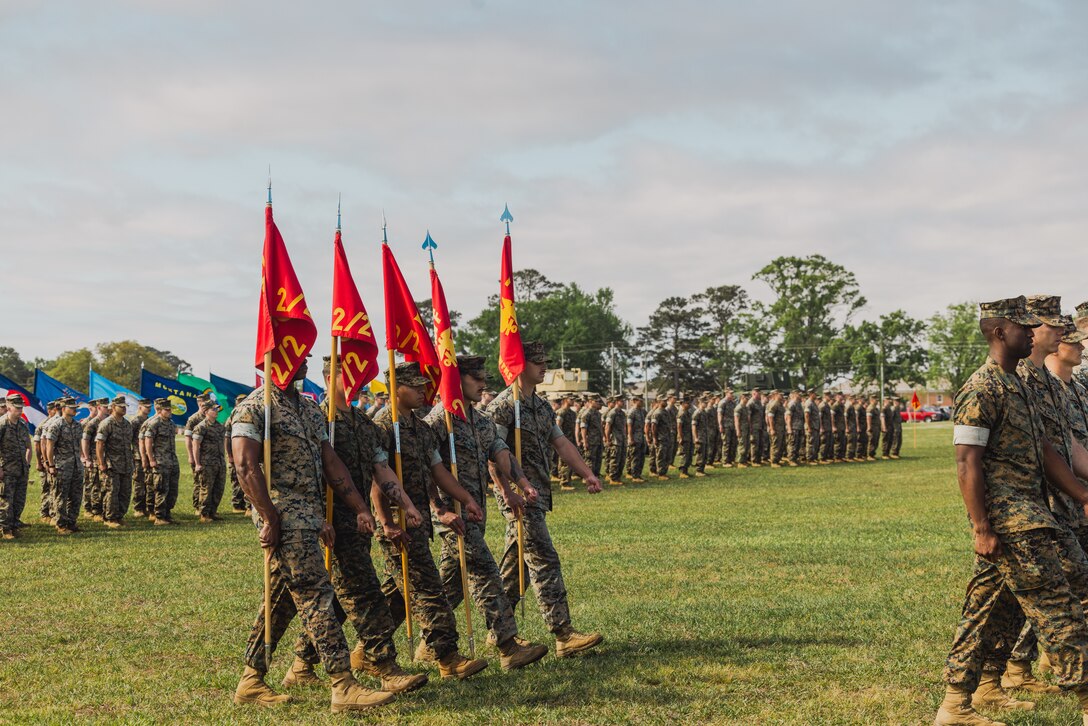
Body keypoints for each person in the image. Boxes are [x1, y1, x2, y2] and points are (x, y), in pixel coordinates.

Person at [934, 296, 1088, 725]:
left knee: (987, 610)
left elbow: (1046, 449)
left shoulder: (1018, 384)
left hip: (1035, 513)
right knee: (1059, 607)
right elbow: (967, 461)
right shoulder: (981, 387)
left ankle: (956, 704)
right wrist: (982, 527)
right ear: (1001, 332)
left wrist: (1084, 496)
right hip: (1011, 519)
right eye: (1023, 327)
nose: (1032, 333)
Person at [230, 358, 395, 712]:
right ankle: (343, 683)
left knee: (281, 601)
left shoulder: (306, 408)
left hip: (308, 517)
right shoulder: (255, 407)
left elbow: (330, 462)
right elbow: (245, 465)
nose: (304, 358)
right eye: (297, 351)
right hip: (283, 519)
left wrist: (358, 508)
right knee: (315, 595)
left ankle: (250, 679)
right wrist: (269, 517)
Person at [287, 356, 428, 694]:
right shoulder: (317, 419)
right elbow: (303, 475)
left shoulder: (362, 423)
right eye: (347, 371)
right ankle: (384, 665)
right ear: (329, 376)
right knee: (364, 594)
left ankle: (301, 662)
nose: (358, 376)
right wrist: (318, 518)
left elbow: (381, 468)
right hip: (330, 524)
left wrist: (406, 504)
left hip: (358, 521)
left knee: (338, 598)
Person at [424, 355, 550, 670]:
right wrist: (438, 511)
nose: (483, 384)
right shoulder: (438, 421)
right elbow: (423, 472)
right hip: (451, 516)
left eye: (484, 378)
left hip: (473, 512)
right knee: (485, 572)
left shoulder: (478, 419)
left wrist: (521, 482)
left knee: (448, 585)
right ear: (457, 381)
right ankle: (507, 646)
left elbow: (501, 452)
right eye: (476, 379)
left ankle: (425, 646)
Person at [486, 341, 604, 657]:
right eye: (537, 361)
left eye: (544, 360)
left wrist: (587, 473)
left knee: (516, 569)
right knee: (543, 558)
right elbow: (492, 453)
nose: (544, 367)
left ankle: (498, 630)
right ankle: (564, 634)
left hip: (537, 491)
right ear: (519, 364)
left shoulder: (539, 405)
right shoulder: (503, 406)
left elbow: (561, 443)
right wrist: (506, 491)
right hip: (519, 496)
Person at [373, 362, 489, 680]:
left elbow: (437, 472)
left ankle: (355, 651)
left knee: (396, 596)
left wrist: (463, 500)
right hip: (397, 524)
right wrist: (386, 522)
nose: (424, 391)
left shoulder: (421, 429)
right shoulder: (382, 427)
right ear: (396, 388)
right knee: (428, 590)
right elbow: (376, 481)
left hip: (419, 521)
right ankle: (448, 658)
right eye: (415, 385)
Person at [42, 398, 83, 534]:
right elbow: (49, 446)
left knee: (76, 495)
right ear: (64, 408)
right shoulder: (56, 425)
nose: (74, 410)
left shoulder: (77, 426)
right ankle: (61, 524)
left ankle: (71, 522)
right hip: (62, 466)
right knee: (60, 495)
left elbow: (79, 445)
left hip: (76, 466)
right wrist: (50, 464)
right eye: (71, 407)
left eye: (75, 407)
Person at [94, 395, 133, 528]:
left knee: (125, 492)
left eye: (125, 407)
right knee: (111, 492)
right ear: (113, 407)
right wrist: (101, 463)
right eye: (121, 407)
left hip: (126, 464)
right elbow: (99, 444)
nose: (124, 409)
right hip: (112, 464)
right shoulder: (106, 423)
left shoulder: (127, 424)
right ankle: (110, 518)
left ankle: (119, 516)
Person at [0, 394, 32, 538]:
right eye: (17, 408)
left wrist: (27, 462)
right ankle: (5, 529)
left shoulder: (22, 424)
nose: (20, 411)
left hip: (21, 468)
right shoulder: (2, 424)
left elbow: (27, 446)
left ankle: (14, 525)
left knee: (19, 500)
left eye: (21, 408)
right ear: (8, 407)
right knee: (6, 500)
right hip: (6, 469)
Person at [144, 398, 180, 525]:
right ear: (160, 410)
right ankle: (159, 517)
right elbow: (147, 442)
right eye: (167, 410)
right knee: (161, 489)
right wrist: (151, 459)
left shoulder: (170, 423)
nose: (170, 412)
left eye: (170, 410)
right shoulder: (154, 423)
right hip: (160, 461)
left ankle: (167, 514)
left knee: (172, 490)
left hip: (172, 461)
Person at [192, 402, 227, 522]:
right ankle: (204, 514)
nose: (216, 411)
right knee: (206, 488)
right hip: (207, 463)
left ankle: (213, 512)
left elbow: (223, 443)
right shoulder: (201, 427)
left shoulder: (219, 426)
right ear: (206, 411)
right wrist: (197, 463)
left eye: (217, 409)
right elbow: (196, 445)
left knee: (219, 488)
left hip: (220, 462)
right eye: (213, 410)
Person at [80, 397, 108, 521]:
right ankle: (92, 509)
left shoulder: (108, 421)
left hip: (104, 458)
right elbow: (84, 441)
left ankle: (101, 508)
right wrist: (86, 458)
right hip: (92, 457)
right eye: (105, 406)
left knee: (103, 485)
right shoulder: (91, 423)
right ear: (98, 407)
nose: (107, 409)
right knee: (93, 484)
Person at [33, 400, 60, 523]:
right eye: (55, 409)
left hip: (54, 461)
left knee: (54, 488)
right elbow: (38, 445)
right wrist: (40, 461)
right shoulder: (43, 425)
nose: (58, 411)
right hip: (46, 462)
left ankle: (52, 511)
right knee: (46, 488)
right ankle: (45, 513)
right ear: (50, 411)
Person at [224, 394, 250, 514]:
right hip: (235, 456)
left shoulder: (249, 415)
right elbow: (227, 439)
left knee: (248, 480)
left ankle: (248, 505)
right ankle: (237, 505)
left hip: (247, 455)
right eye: (239, 402)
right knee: (236, 481)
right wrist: (230, 455)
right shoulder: (231, 418)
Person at [129, 398, 151, 518]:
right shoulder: (135, 421)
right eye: (146, 407)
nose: (148, 409)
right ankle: (138, 507)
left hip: (148, 456)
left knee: (148, 483)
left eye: (149, 407)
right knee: (139, 483)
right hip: (138, 456)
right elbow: (128, 438)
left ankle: (146, 506)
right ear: (140, 407)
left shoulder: (148, 420)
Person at [555, 394, 578, 490]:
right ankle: (564, 482)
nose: (573, 401)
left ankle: (568, 480)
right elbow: (558, 426)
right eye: (571, 399)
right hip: (564, 440)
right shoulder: (561, 412)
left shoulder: (572, 413)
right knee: (564, 461)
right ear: (565, 400)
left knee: (571, 460)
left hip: (571, 440)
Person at [603, 395, 627, 485]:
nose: (623, 403)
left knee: (622, 460)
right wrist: (608, 439)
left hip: (622, 440)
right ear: (617, 402)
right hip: (615, 440)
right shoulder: (612, 413)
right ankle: (613, 478)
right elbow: (607, 427)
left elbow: (624, 427)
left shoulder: (622, 413)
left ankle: (617, 477)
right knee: (615, 460)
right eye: (621, 401)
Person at [647, 398, 671, 480]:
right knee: (661, 456)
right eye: (664, 401)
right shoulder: (657, 413)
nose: (666, 402)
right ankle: (661, 474)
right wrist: (654, 438)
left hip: (666, 437)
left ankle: (664, 472)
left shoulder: (665, 412)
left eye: (666, 400)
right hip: (660, 438)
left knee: (667, 456)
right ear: (659, 402)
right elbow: (653, 426)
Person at [626, 396, 647, 483]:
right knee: (635, 457)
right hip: (635, 437)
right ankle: (634, 476)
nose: (642, 402)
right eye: (640, 400)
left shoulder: (641, 411)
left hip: (641, 437)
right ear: (635, 401)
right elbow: (629, 426)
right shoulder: (632, 412)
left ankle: (638, 474)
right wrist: (630, 438)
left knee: (641, 457)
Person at [675, 396, 693, 478]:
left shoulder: (687, 413)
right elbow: (679, 426)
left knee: (689, 454)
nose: (689, 405)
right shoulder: (681, 413)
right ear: (682, 404)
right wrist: (680, 437)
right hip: (684, 436)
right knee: (684, 454)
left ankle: (686, 470)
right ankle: (682, 471)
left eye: (689, 403)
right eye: (687, 403)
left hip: (688, 436)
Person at [718, 390, 737, 468]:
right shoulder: (722, 402)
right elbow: (719, 414)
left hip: (732, 425)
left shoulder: (732, 403)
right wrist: (720, 425)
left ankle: (730, 460)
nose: (732, 395)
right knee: (726, 443)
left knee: (732, 443)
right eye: (730, 393)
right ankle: (725, 461)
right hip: (726, 425)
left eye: (732, 393)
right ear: (726, 394)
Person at [747, 389, 765, 466]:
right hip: (754, 427)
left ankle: (758, 459)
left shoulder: (759, 402)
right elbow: (748, 417)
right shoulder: (750, 403)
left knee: (760, 443)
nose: (759, 395)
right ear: (754, 394)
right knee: (755, 444)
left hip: (760, 426)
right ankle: (754, 461)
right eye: (758, 393)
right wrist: (750, 428)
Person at [785, 390, 803, 467]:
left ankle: (795, 459)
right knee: (792, 444)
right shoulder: (791, 404)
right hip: (793, 427)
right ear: (795, 395)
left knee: (797, 444)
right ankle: (791, 460)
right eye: (799, 394)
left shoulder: (798, 404)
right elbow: (788, 417)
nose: (800, 395)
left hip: (799, 427)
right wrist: (789, 428)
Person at [734, 392, 751, 469]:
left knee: (746, 445)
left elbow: (747, 419)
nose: (747, 399)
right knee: (742, 445)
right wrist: (738, 430)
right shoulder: (738, 408)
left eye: (748, 398)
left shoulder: (746, 407)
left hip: (746, 428)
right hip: (741, 429)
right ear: (742, 398)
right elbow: (736, 420)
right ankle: (740, 462)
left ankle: (744, 461)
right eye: (746, 398)